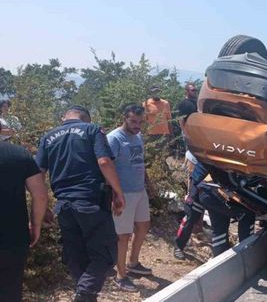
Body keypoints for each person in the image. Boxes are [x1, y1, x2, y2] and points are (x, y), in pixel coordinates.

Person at [36, 105, 126, 302]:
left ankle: (85, 295)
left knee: (76, 255)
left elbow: (37, 175)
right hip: (90, 202)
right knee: (105, 253)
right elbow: (104, 162)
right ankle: (85, 294)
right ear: (86, 118)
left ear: (64, 118)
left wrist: (41, 207)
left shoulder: (48, 137)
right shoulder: (92, 129)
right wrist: (118, 192)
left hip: (64, 206)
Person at [107, 105, 153, 292]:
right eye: (133, 121)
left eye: (140, 122)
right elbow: (106, 168)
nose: (137, 125)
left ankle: (133, 263)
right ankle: (121, 275)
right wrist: (114, 195)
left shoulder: (138, 136)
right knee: (123, 236)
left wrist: (148, 184)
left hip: (139, 190)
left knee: (143, 226)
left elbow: (139, 161)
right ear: (124, 118)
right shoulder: (114, 138)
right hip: (123, 192)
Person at [0, 136, 48, 301]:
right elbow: (40, 195)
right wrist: (36, 225)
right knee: (10, 289)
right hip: (13, 235)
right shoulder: (20, 154)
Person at [174, 161, 255, 259]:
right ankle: (178, 246)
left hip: (213, 190)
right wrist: (192, 193)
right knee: (191, 216)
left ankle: (220, 257)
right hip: (205, 188)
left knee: (220, 225)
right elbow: (199, 172)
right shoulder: (213, 152)